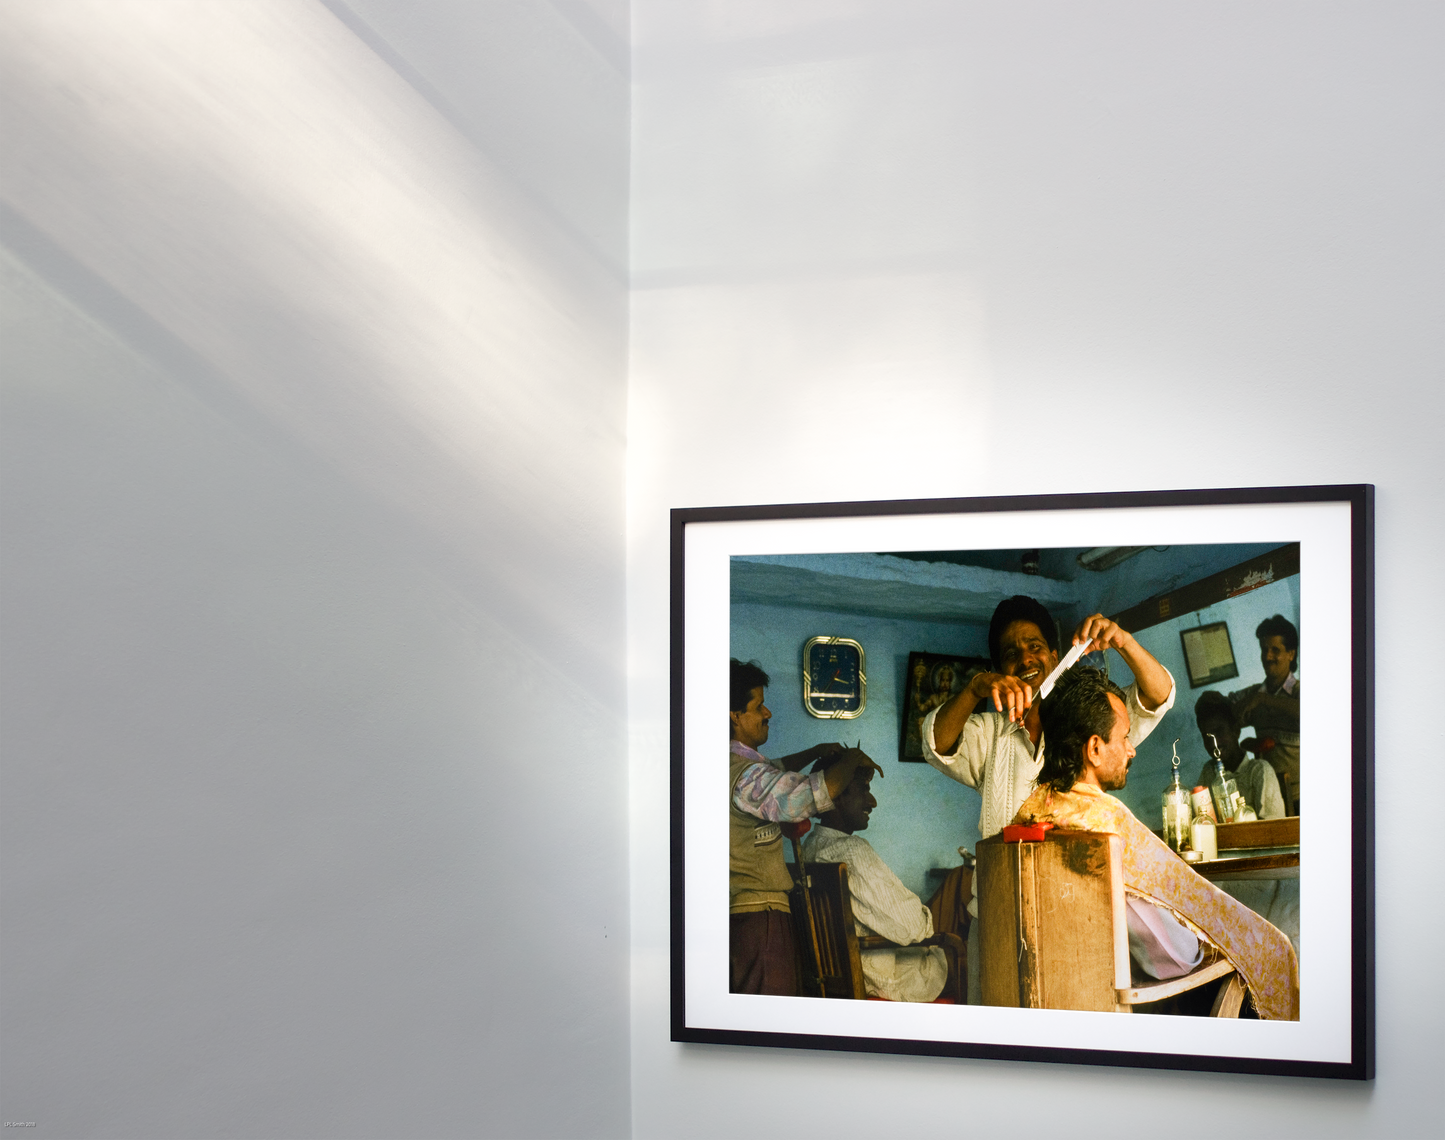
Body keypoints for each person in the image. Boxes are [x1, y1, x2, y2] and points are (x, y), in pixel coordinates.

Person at [1013, 667, 1298, 1020]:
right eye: (1125, 738)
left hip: (1072, 973)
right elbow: (1179, 951)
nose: (1132, 750)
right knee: (1271, 951)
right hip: (1149, 971)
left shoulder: (1035, 810)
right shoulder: (1108, 824)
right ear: (1095, 748)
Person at [922, 595, 1177, 843]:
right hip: (1000, 881)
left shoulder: (1090, 716)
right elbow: (935, 743)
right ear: (1000, 671)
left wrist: (1124, 642)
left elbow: (1159, 695)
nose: (1025, 659)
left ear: (1055, 658)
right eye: (1011, 654)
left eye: (1035, 646)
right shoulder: (990, 734)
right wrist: (974, 688)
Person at [728, 658, 882, 995]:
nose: (767, 713)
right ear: (734, 716)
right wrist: (851, 760)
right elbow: (796, 798)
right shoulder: (745, 776)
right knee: (766, 1022)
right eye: (759, 706)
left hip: (747, 917)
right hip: (761, 919)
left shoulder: (729, 764)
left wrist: (814, 751)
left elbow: (773, 772)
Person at [800, 758, 967, 1002]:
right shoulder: (852, 851)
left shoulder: (809, 847)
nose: (872, 802)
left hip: (836, 977)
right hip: (885, 980)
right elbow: (912, 928)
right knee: (971, 950)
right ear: (836, 796)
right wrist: (925, 922)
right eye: (863, 790)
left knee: (957, 885)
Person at [1229, 614, 1300, 814]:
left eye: (1275, 650)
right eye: (1264, 650)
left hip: (1303, 797)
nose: (1267, 657)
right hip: (1269, 798)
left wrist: (1263, 700)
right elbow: (1225, 709)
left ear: (1291, 654)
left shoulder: (1299, 692)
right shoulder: (1253, 694)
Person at [1194, 690, 1286, 820]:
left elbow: (1273, 827)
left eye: (1219, 732)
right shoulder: (1209, 772)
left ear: (1235, 731)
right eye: (1206, 736)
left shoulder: (1259, 771)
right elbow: (1201, 821)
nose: (1214, 742)